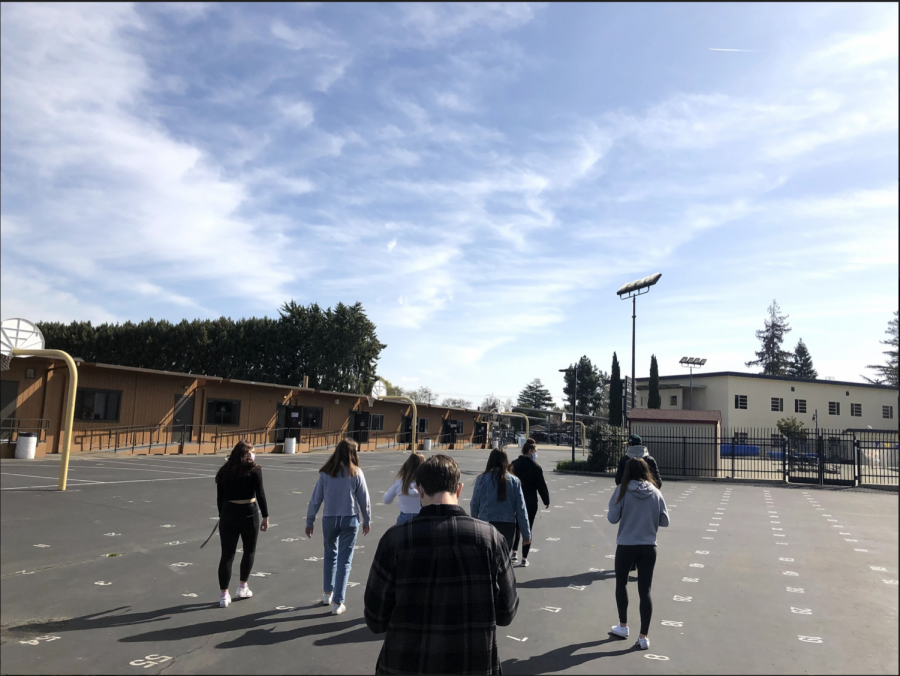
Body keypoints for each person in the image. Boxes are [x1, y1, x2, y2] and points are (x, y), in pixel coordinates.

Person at [364, 454, 519, 675]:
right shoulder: (490, 539)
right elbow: (507, 611)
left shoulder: (395, 540)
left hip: (405, 663)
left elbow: (375, 619)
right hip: (472, 662)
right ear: (459, 489)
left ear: (420, 490)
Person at [606, 456, 669, 651]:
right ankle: (644, 636)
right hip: (649, 546)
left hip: (626, 544)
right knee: (645, 590)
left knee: (621, 584)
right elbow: (665, 520)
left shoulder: (622, 491)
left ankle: (623, 626)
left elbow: (612, 518)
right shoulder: (656, 492)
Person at [305, 438, 372, 615]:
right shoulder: (356, 473)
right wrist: (367, 520)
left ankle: (328, 593)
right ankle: (338, 601)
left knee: (329, 555)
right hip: (349, 519)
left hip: (329, 519)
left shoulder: (326, 473)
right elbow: (364, 500)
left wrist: (309, 521)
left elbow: (315, 499)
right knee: (345, 560)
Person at [215, 440, 269, 608]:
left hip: (228, 513)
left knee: (227, 555)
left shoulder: (224, 471)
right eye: (251, 452)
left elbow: (220, 498)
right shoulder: (255, 470)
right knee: (249, 550)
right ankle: (242, 586)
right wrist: (265, 515)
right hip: (248, 512)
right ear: (244, 454)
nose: (253, 455)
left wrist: (221, 515)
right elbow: (260, 494)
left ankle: (224, 594)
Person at [470, 447, 532, 552]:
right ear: (506, 461)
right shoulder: (514, 481)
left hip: (486, 523)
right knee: (503, 560)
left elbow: (474, 505)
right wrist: (526, 534)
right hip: (507, 525)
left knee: (487, 559)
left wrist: (477, 522)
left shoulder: (482, 479)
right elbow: (521, 509)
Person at [510, 438, 550, 567]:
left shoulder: (514, 464)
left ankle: (514, 552)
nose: (536, 454)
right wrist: (546, 500)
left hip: (515, 500)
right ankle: (524, 558)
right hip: (530, 500)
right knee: (528, 527)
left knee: (516, 526)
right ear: (530, 451)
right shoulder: (536, 467)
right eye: (535, 451)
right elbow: (541, 486)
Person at [384, 452, 425, 524]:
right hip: (422, 519)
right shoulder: (427, 483)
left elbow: (387, 500)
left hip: (404, 519)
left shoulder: (399, 482)